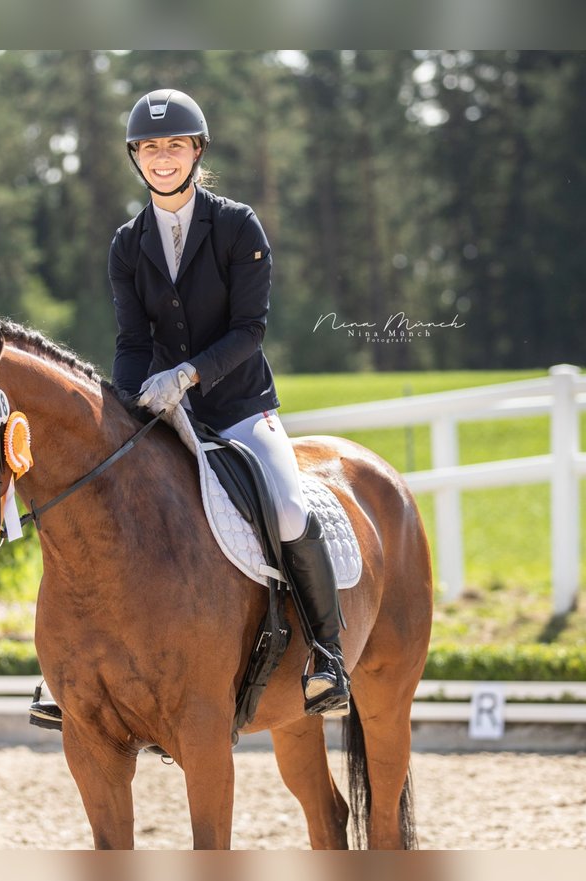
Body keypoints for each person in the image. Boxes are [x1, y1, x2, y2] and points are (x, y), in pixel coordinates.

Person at [109, 88, 351, 717]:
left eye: (175, 145)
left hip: (241, 407)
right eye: (151, 147)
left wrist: (188, 373)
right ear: (137, 156)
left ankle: (327, 656)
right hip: (169, 414)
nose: (164, 157)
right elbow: (134, 343)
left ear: (196, 151)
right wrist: (125, 407)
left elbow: (250, 330)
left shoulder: (238, 225)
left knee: (290, 511)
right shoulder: (128, 244)